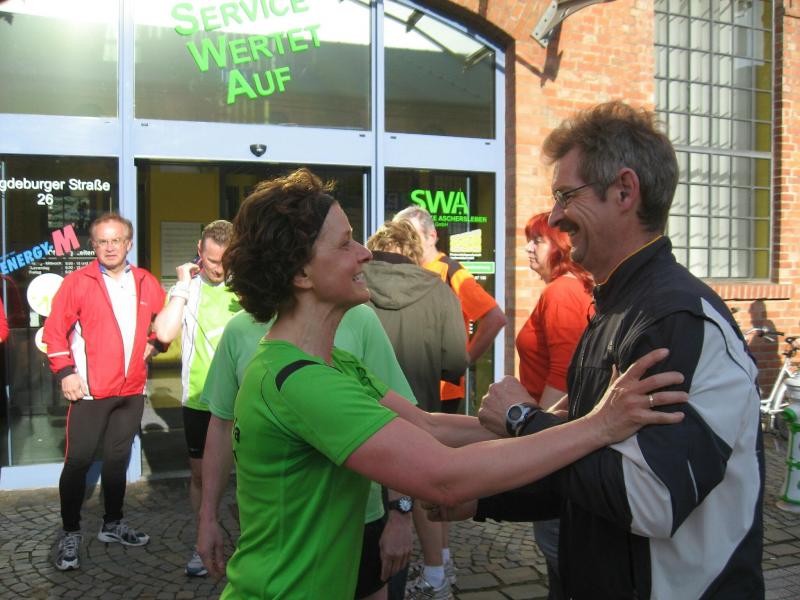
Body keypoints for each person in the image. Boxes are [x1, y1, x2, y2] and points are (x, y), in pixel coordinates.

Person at [216, 167, 686, 599]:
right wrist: (599, 427)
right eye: (344, 244)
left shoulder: (332, 363)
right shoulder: (299, 382)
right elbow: (444, 478)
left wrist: (542, 421)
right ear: (301, 273)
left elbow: (428, 426)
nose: (364, 253)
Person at [450, 101, 765, 599]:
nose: (555, 216)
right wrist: (484, 499)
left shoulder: (675, 319)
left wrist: (522, 420)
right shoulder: (615, 306)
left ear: (624, 191)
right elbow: (584, 468)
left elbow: (648, 498)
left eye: (565, 196)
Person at [196, 304, 419, 600]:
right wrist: (207, 516)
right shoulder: (239, 329)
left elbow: (401, 424)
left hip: (360, 521)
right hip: (277, 533)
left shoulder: (361, 319)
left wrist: (400, 514)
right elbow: (221, 426)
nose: (361, 274)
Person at [43, 213, 166, 571]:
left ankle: (112, 523)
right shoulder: (77, 282)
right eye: (102, 241)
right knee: (78, 462)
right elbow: (54, 331)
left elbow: (166, 318)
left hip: (131, 391)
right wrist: (66, 372)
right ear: (93, 245)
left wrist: (157, 342)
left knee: (116, 461)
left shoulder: (145, 281)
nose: (110, 247)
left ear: (129, 244)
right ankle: (70, 532)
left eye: (117, 240)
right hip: (90, 391)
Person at [394, 205, 507, 583]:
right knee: (429, 479)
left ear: (431, 236)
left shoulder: (450, 272)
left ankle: (437, 571)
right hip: (422, 385)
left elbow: (494, 317)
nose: (407, 243)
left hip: (440, 390)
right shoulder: (413, 271)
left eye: (412, 235)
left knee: (424, 478)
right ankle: (441, 562)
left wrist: (465, 361)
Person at [364, 220, 467, 599]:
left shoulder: (352, 288)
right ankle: (437, 573)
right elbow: (455, 362)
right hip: (420, 411)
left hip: (362, 415)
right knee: (422, 490)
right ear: (413, 252)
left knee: (367, 502)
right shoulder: (438, 290)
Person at [152, 219, 239, 577]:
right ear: (199, 252)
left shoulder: (248, 288)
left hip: (246, 401)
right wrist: (182, 286)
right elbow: (164, 332)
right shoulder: (188, 288)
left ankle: (254, 547)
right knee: (202, 477)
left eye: (226, 261)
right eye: (213, 260)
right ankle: (203, 541)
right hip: (201, 400)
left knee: (252, 476)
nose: (219, 269)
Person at [515, 211, 593, 599]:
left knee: (563, 561)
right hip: (564, 438)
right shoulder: (571, 288)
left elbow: (563, 377)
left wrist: (533, 434)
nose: (529, 248)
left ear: (560, 246)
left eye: (538, 240)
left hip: (556, 443)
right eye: (529, 240)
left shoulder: (561, 292)